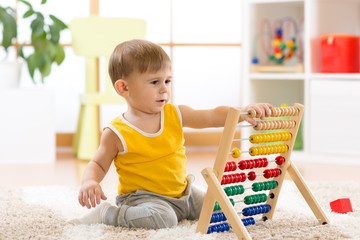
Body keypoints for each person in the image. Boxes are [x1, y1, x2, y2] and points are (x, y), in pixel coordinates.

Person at [69, 39, 272, 229]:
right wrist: (90, 181)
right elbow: (98, 163)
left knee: (219, 205)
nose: (164, 89)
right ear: (124, 87)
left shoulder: (175, 114)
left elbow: (210, 116)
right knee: (164, 219)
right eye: (154, 82)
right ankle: (109, 214)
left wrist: (242, 112)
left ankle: (185, 208)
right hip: (143, 199)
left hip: (184, 193)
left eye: (167, 81)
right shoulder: (116, 132)